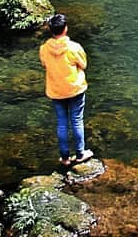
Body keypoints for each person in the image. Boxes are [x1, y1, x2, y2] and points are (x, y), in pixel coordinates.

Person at [39, 14, 93, 167]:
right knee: (76, 120)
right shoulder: (74, 47)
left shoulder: (44, 49)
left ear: (51, 30)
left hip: (56, 90)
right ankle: (80, 154)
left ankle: (64, 158)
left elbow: (44, 64)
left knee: (62, 123)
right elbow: (83, 65)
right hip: (75, 88)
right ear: (66, 28)